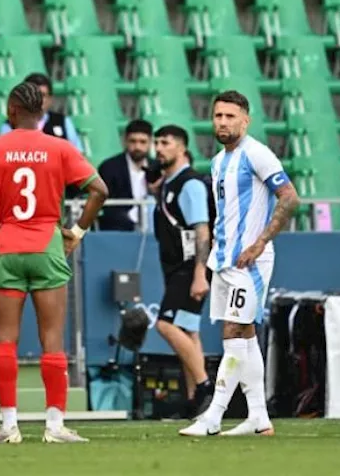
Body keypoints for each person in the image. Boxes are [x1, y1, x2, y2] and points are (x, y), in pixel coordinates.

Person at [0, 82, 109, 444]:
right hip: (48, 244)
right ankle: (54, 425)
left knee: (6, 340)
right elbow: (100, 190)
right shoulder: (60, 148)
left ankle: (9, 425)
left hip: (6, 245)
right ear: (41, 112)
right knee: (52, 340)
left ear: (12, 109)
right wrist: (77, 231)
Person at [180, 91, 299, 438]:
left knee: (232, 331)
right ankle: (259, 417)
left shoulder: (257, 154)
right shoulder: (218, 162)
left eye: (231, 116)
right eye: (218, 116)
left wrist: (260, 243)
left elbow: (290, 197)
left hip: (251, 262)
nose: (223, 122)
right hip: (225, 260)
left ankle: (214, 416)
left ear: (245, 121)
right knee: (244, 335)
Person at [148, 125, 215, 416]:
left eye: (165, 143)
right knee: (189, 331)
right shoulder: (169, 184)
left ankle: (204, 386)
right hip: (176, 267)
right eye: (157, 143)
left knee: (166, 324)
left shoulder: (191, 184)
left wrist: (200, 274)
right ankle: (195, 403)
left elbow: (202, 231)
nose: (158, 148)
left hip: (189, 268)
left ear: (182, 148)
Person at [0, 73, 83, 151]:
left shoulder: (63, 122)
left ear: (50, 99)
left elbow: (79, 156)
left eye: (43, 95)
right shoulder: (9, 126)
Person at [97, 119, 153, 231]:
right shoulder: (110, 167)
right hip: (118, 229)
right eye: (133, 141)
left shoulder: (157, 167)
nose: (137, 147)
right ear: (125, 141)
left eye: (142, 142)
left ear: (150, 142)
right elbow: (105, 204)